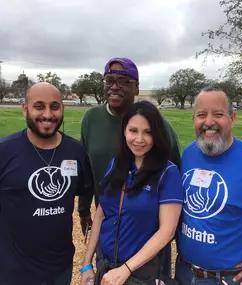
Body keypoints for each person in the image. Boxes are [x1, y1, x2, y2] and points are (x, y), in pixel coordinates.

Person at [78, 57, 181, 276]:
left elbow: (176, 177)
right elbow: (88, 169)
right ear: (124, 131)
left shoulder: (162, 127)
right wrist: (83, 208)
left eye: (124, 81)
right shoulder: (93, 122)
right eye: (110, 80)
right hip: (110, 235)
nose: (115, 86)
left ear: (136, 87)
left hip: (146, 243)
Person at [175, 87, 242, 285]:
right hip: (184, 273)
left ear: (232, 118)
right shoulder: (190, 154)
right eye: (201, 115)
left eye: (218, 114)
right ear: (193, 120)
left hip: (232, 279)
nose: (209, 122)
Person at [0, 82, 94, 285]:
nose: (48, 114)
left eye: (54, 106)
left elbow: (83, 190)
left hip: (59, 267)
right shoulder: (5, 151)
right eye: (39, 106)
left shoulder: (75, 152)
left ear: (63, 108)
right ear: (25, 109)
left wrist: (85, 214)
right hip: (13, 269)